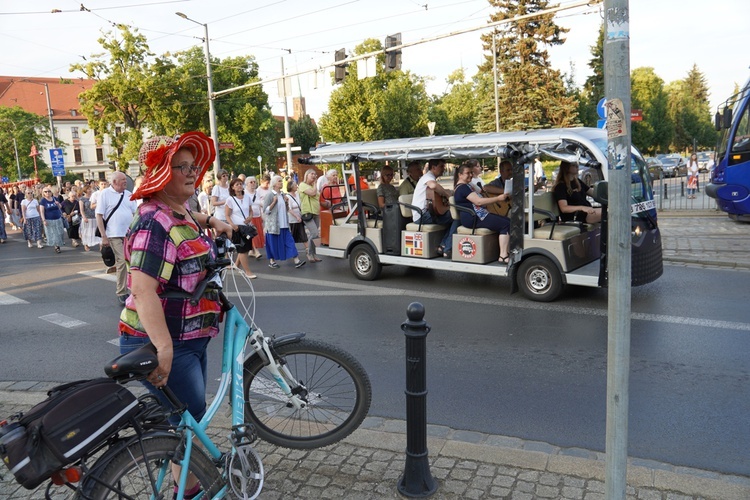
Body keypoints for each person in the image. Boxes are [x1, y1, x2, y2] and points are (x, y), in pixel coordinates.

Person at [118, 132, 231, 499]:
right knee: (188, 414)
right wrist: (162, 347)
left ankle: (188, 481)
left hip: (189, 336)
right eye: (180, 167)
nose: (191, 172)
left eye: (193, 166)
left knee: (187, 417)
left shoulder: (176, 210)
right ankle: (188, 488)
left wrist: (215, 222)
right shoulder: (154, 222)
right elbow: (142, 289)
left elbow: (187, 216)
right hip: (165, 340)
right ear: (162, 174)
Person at [453, 164, 511, 263]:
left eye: (471, 172)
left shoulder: (467, 186)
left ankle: (505, 251)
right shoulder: (463, 188)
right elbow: (478, 201)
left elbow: (482, 190)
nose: (471, 175)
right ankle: (503, 255)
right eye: (467, 173)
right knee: (506, 224)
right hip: (474, 218)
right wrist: (498, 198)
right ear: (460, 175)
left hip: (477, 216)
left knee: (507, 220)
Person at [96, 171, 137, 305]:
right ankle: (121, 292)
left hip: (129, 234)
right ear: (114, 182)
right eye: (123, 180)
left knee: (133, 263)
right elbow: (99, 215)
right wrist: (104, 236)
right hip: (113, 234)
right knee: (122, 262)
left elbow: (135, 213)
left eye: (126, 179)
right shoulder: (105, 194)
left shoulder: (129, 194)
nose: (126, 182)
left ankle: (134, 289)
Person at [411, 159, 454, 256]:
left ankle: (444, 245)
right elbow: (433, 186)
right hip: (422, 215)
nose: (443, 169)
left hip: (426, 213)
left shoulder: (428, 177)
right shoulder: (428, 177)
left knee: (452, 217)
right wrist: (447, 195)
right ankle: (446, 247)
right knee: (456, 217)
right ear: (433, 167)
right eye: (441, 166)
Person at [263, 175, 306, 269]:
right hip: (274, 226)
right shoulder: (270, 195)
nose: (281, 183)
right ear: (274, 184)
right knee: (274, 244)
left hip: (284, 224)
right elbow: (265, 211)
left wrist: (286, 202)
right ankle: (272, 261)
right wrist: (273, 202)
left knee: (290, 242)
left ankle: (296, 260)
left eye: (281, 181)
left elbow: (286, 209)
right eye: (279, 181)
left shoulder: (282, 195)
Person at [225, 177, 257, 279]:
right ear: (232, 188)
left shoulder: (247, 197)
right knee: (242, 250)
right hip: (237, 227)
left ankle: (237, 264)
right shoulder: (230, 199)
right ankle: (247, 271)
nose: (239, 186)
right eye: (237, 184)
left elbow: (251, 210)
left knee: (246, 248)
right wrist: (233, 225)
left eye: (240, 184)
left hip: (246, 226)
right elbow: (227, 215)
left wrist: (250, 217)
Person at [298, 168, 322, 262]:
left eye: (315, 174)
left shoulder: (313, 186)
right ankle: (309, 252)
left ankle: (314, 254)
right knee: (314, 233)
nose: (314, 175)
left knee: (315, 235)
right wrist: (315, 184)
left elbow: (317, 197)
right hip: (307, 212)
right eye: (311, 174)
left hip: (316, 212)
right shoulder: (302, 185)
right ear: (306, 175)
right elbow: (312, 193)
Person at [39, 185, 66, 253]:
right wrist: (44, 220)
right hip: (49, 219)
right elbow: (42, 211)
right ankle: (56, 246)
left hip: (58, 218)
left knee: (60, 232)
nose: (47, 193)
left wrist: (58, 204)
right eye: (45, 192)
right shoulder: (43, 201)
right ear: (43, 193)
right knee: (54, 234)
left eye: (49, 191)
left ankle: (59, 243)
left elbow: (60, 207)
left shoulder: (54, 198)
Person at [244, 176, 265, 260]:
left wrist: (262, 215)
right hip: (249, 216)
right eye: (251, 182)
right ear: (247, 184)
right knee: (252, 235)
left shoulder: (257, 192)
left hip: (257, 215)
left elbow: (260, 205)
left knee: (257, 234)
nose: (253, 184)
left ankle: (251, 251)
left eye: (254, 182)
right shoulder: (244, 193)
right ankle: (255, 251)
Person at [286, 179, 309, 252]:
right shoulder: (288, 197)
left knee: (303, 234)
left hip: (299, 217)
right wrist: (296, 216)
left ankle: (308, 249)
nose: (297, 186)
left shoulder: (297, 195)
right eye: (295, 185)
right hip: (293, 219)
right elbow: (289, 209)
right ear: (291, 187)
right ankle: (290, 249)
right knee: (292, 235)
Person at [78, 184, 100, 251]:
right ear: (85, 190)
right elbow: (81, 210)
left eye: (90, 188)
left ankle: (100, 244)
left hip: (95, 216)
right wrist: (84, 217)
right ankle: (86, 244)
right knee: (86, 232)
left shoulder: (94, 197)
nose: (90, 190)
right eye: (88, 189)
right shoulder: (82, 199)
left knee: (96, 231)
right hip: (87, 217)